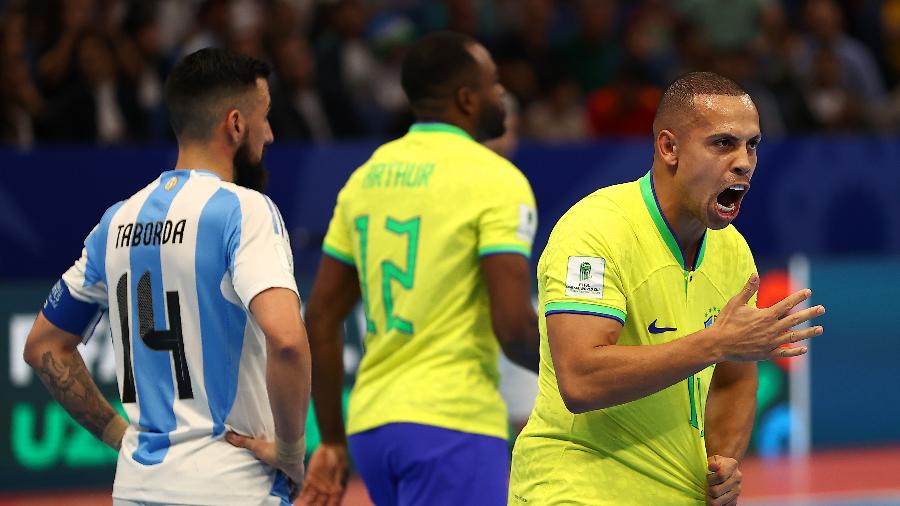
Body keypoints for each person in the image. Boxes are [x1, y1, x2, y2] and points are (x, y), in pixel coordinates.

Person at [508, 71, 826, 506]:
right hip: (577, 489)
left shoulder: (733, 253)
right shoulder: (595, 231)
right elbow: (581, 379)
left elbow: (734, 379)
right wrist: (714, 343)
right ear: (669, 147)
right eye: (723, 143)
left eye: (752, 144)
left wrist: (724, 461)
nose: (744, 161)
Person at [22, 48, 311, 506]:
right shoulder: (245, 210)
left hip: (138, 490)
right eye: (265, 118)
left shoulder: (116, 222)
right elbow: (288, 340)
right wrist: (292, 452)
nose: (270, 134)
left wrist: (120, 436)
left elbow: (42, 346)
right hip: (235, 488)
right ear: (235, 124)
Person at [299, 31, 540, 506]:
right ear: (467, 99)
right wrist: (578, 370)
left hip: (372, 427)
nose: (502, 96)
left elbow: (321, 318)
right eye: (494, 85)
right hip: (452, 424)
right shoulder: (495, 179)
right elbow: (513, 327)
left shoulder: (366, 177)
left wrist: (330, 440)